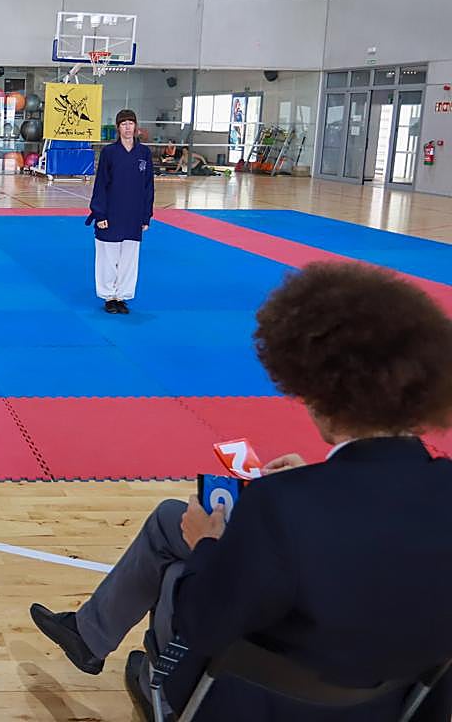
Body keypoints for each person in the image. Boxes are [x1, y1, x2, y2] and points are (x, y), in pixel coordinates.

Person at [31, 261, 452, 722]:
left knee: (177, 574)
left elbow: (203, 622)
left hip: (255, 701)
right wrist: (313, 480)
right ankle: (90, 637)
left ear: (317, 391)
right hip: (392, 703)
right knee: (172, 520)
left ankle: (160, 690)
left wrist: (206, 544)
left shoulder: (281, 506)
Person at [87, 108, 153, 314]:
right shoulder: (109, 153)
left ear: (136, 127)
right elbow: (101, 184)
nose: (127, 127)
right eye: (123, 124)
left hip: (134, 214)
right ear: (118, 128)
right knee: (108, 257)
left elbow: (148, 186)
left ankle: (122, 296)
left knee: (129, 259)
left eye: (131, 123)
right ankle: (109, 296)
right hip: (111, 212)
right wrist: (100, 214)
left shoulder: (144, 153)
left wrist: (146, 215)